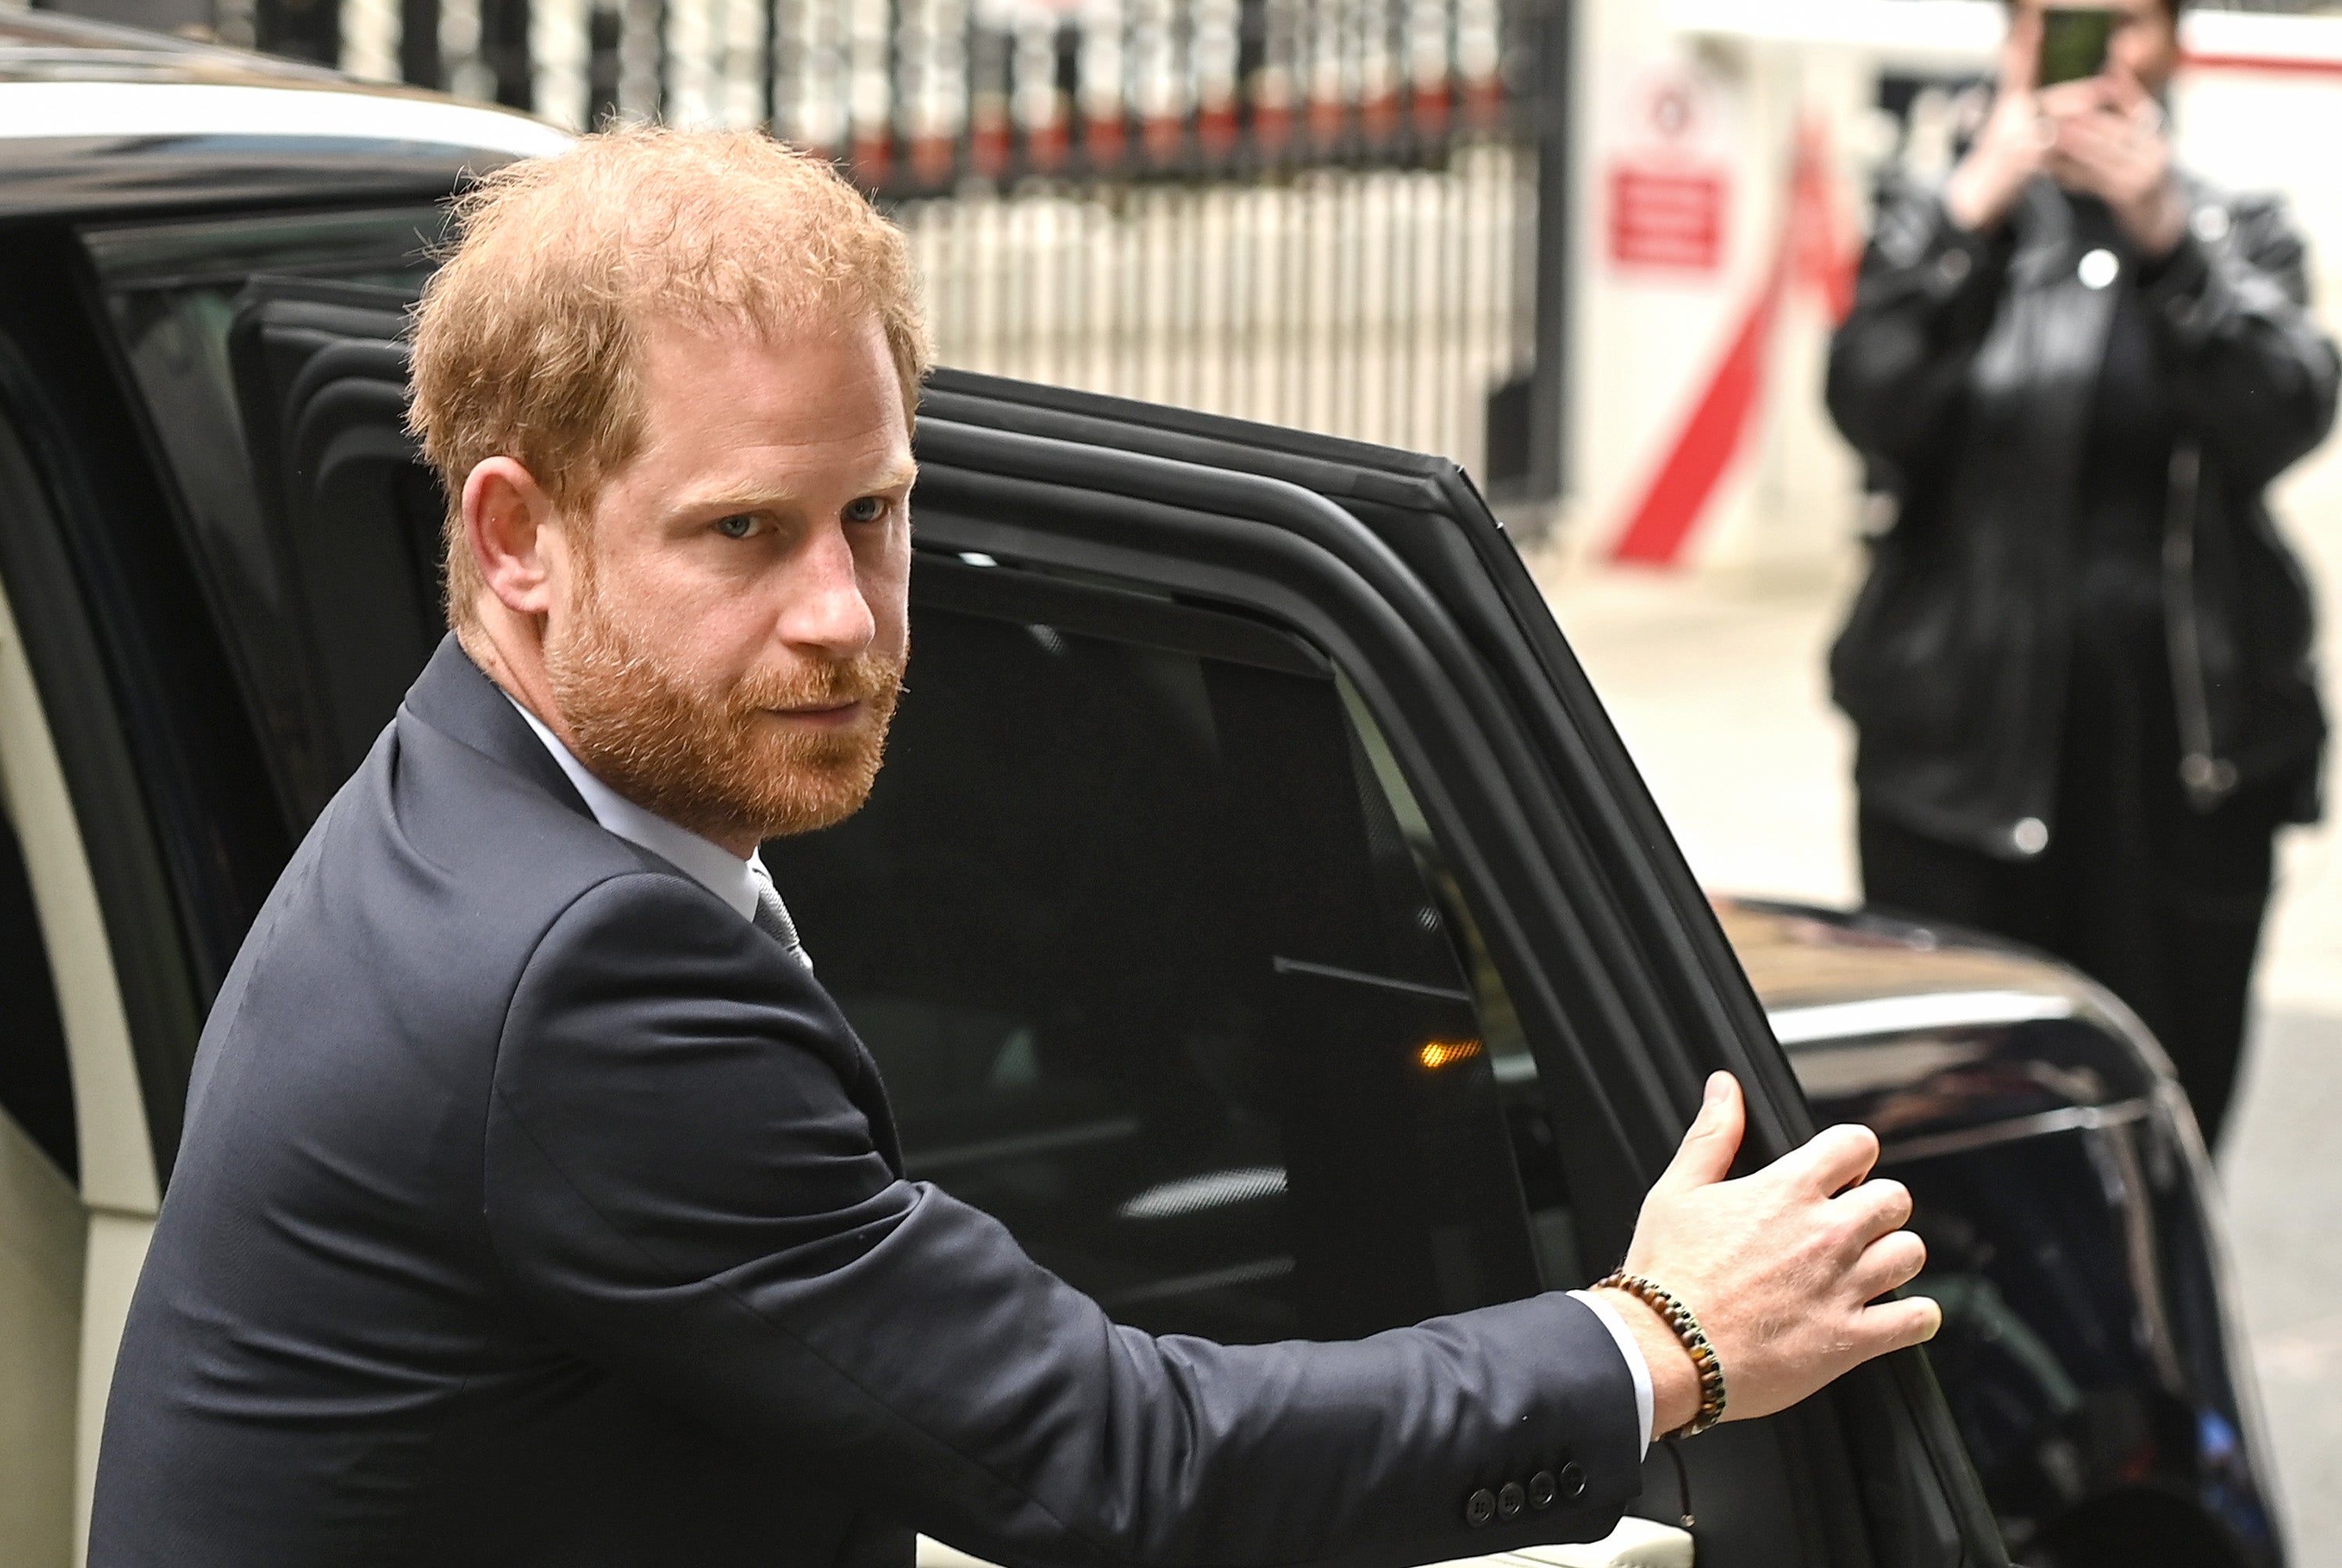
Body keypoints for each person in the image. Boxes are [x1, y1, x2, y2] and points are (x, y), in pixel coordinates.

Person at [90, 127, 1936, 1565]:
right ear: (516, 540)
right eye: (741, 532)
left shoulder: (465, 796)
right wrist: (1662, 1336)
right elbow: (1116, 1469)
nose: (844, 615)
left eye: (875, 512)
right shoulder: (579, 980)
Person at [1828, 0, 2337, 1145]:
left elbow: (2284, 412)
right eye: (2055, 21)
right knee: (1944, 1122)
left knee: (2168, 1111)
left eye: (2124, 21)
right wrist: (1969, 215)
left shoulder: (2233, 226)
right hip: (1954, 760)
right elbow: (1868, 403)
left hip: (2183, 768)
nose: (2091, 49)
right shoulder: (1941, 217)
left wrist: (2170, 239)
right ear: (2012, 42)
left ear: (2171, 45)